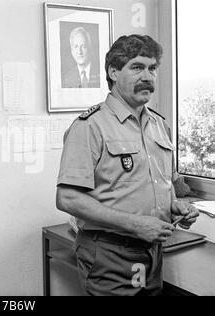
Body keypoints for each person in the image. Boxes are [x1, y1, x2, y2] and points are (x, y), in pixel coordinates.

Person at [56, 34, 199, 296]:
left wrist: (175, 206)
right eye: (137, 67)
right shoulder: (90, 126)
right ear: (113, 72)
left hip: (153, 251)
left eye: (152, 68)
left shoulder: (159, 125)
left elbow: (157, 185)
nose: (148, 76)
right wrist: (136, 224)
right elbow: (67, 198)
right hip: (111, 253)